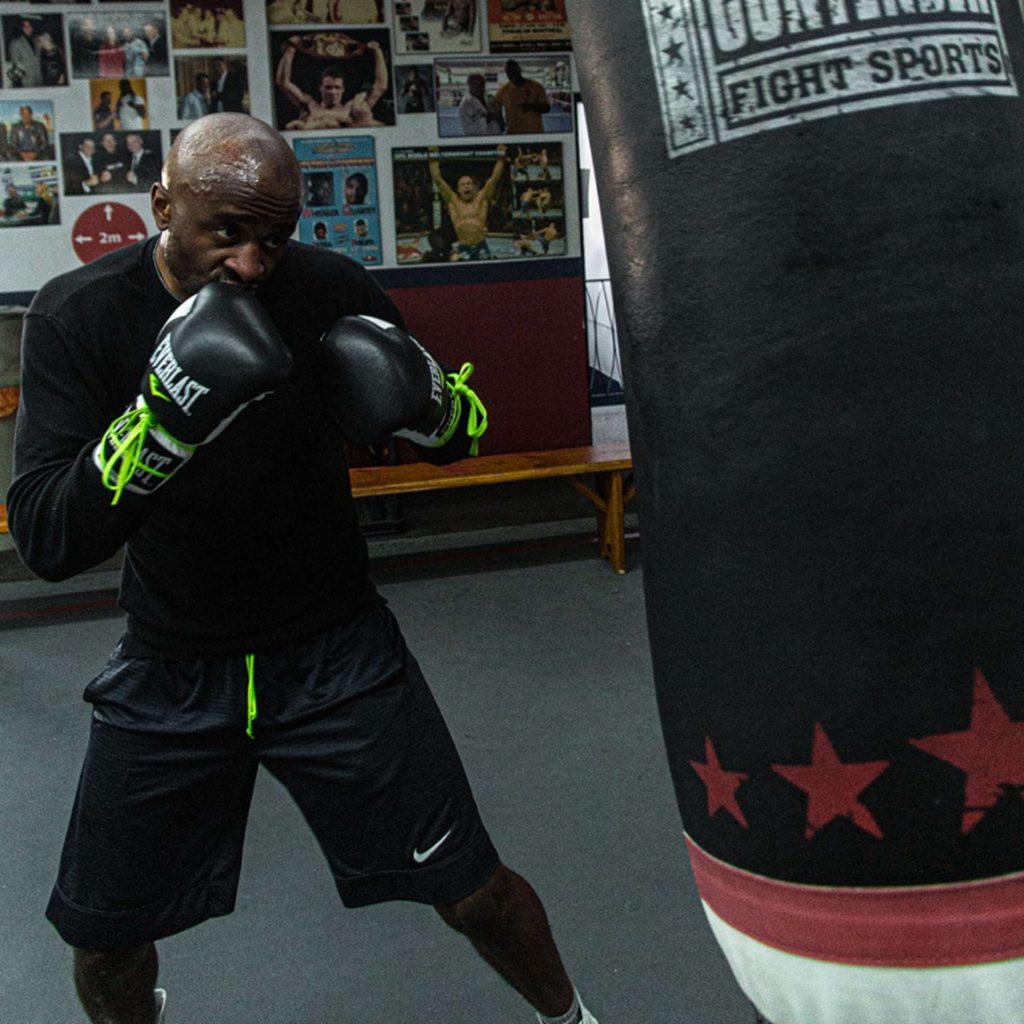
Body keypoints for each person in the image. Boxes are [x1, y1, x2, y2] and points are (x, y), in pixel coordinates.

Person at [7, 111, 599, 1024]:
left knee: (474, 891)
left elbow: (455, 438)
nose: (250, 262)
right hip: (172, 665)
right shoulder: (78, 315)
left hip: (337, 652)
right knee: (104, 933)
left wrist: (432, 406)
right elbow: (47, 539)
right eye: (225, 233)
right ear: (163, 203)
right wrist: (159, 424)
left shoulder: (330, 288)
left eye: (274, 237)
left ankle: (572, 1019)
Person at [275, 37, 388, 129]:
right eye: (329, 87)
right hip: (311, 150)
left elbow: (380, 87)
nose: (333, 92)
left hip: (350, 151)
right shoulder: (309, 104)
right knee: (294, 126)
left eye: (337, 87)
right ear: (321, 88)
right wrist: (290, 51)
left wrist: (378, 52)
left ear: (343, 89)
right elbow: (283, 82)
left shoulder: (352, 107)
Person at [429, 144, 507, 260]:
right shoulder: (453, 201)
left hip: (481, 246)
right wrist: (432, 158)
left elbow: (495, 177)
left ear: (475, 188)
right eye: (463, 184)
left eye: (469, 183)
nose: (466, 187)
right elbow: (438, 180)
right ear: (458, 190)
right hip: (463, 247)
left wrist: (501, 158)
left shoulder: (481, 199)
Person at [493, 60, 551, 134]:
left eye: (514, 70)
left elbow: (547, 108)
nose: (512, 73)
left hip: (535, 133)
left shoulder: (536, 87)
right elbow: (495, 105)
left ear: (519, 70)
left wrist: (530, 106)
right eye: (508, 71)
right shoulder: (504, 90)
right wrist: (500, 121)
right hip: (513, 134)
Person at [7, 18, 42, 88]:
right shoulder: (15, 43)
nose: (31, 29)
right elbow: (15, 64)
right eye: (27, 27)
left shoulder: (35, 41)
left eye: (31, 26)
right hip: (26, 82)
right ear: (22, 28)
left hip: (39, 80)